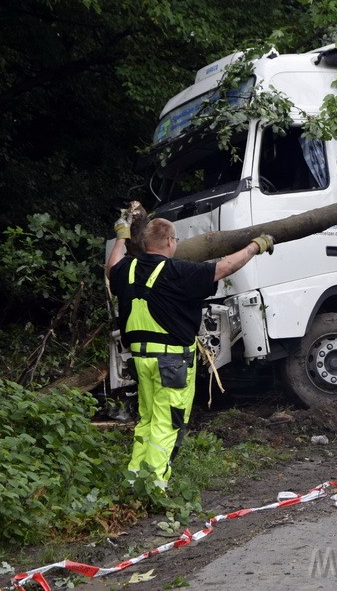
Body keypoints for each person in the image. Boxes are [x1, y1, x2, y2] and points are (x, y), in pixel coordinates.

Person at [106, 209, 274, 488]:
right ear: (171, 241)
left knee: (147, 420)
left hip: (140, 360)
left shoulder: (128, 269)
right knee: (166, 423)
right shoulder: (177, 271)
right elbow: (224, 267)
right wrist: (255, 246)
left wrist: (121, 237)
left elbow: (111, 268)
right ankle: (154, 487)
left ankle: (134, 480)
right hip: (171, 363)